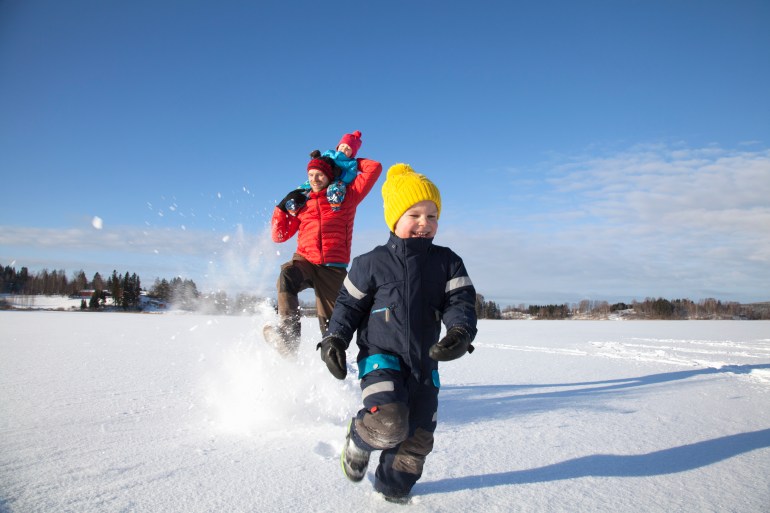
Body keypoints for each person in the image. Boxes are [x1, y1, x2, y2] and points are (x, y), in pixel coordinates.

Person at [317, 163, 478, 503]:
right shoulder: (369, 263)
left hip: (425, 365)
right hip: (381, 359)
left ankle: (391, 491)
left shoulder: (448, 262)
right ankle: (359, 439)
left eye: (432, 216)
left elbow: (460, 301)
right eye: (415, 214)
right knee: (389, 422)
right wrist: (335, 339)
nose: (424, 223)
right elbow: (347, 306)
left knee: (418, 439)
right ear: (394, 218)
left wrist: (461, 331)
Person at [265, 131, 382, 357]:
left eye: (320, 174)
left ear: (330, 176)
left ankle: (332, 369)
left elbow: (374, 168)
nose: (314, 178)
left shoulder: (348, 196)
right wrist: (280, 208)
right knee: (287, 275)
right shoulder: (303, 202)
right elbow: (278, 236)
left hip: (333, 267)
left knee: (331, 328)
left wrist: (345, 159)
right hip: (305, 260)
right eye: (311, 174)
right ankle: (288, 338)